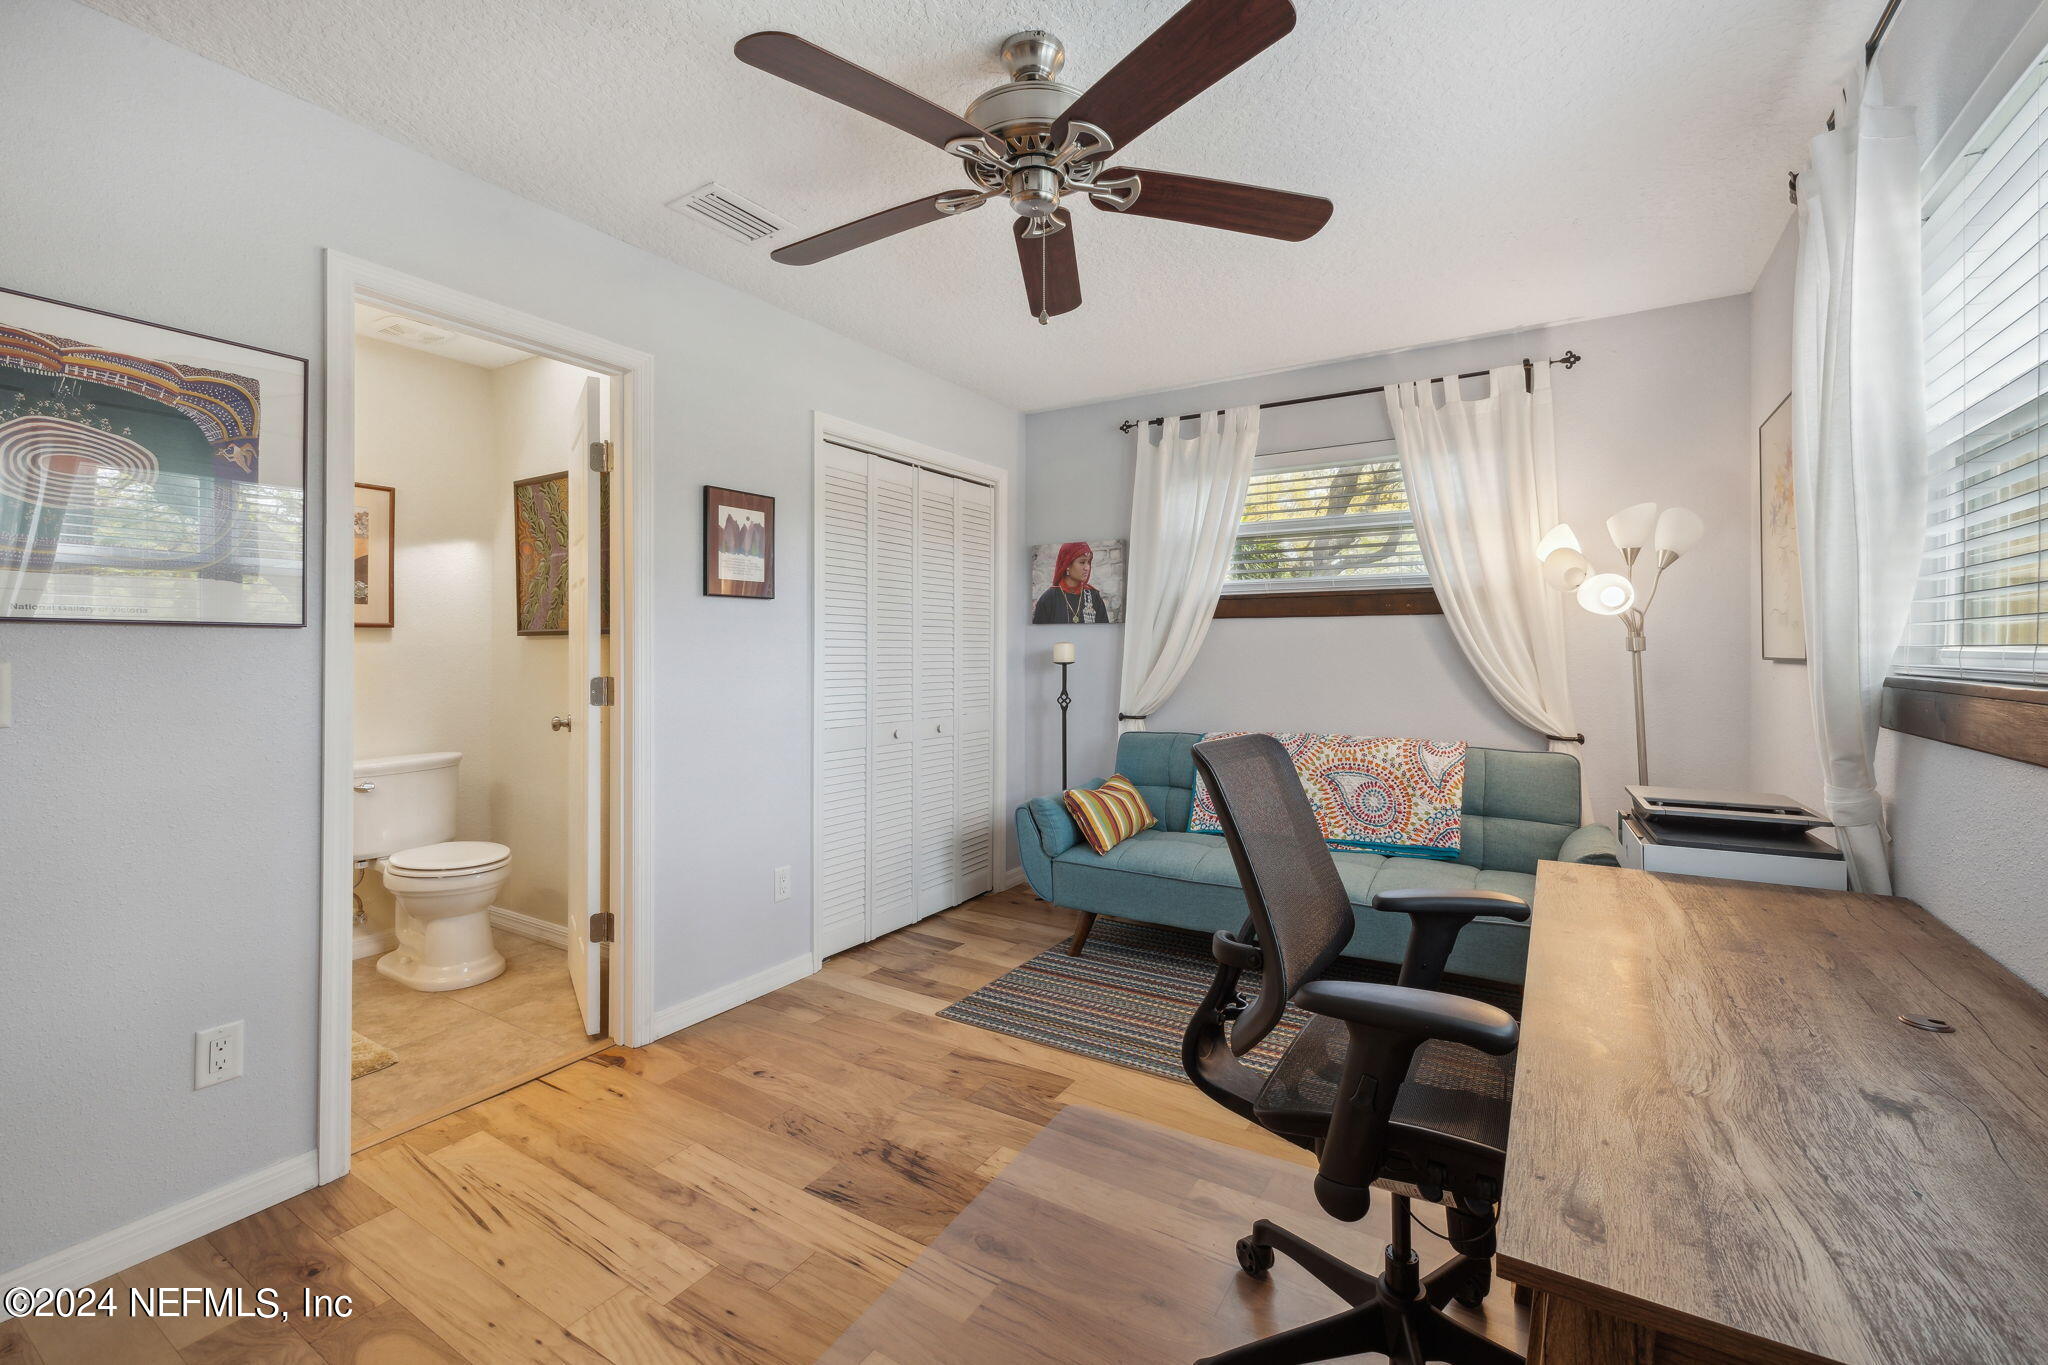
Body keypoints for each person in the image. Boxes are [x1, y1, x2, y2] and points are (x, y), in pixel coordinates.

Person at [1032, 542, 1113, 624]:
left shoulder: (1094, 597)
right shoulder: (1049, 599)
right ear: (1067, 565)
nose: (1087, 568)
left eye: (1088, 562)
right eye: (1082, 562)